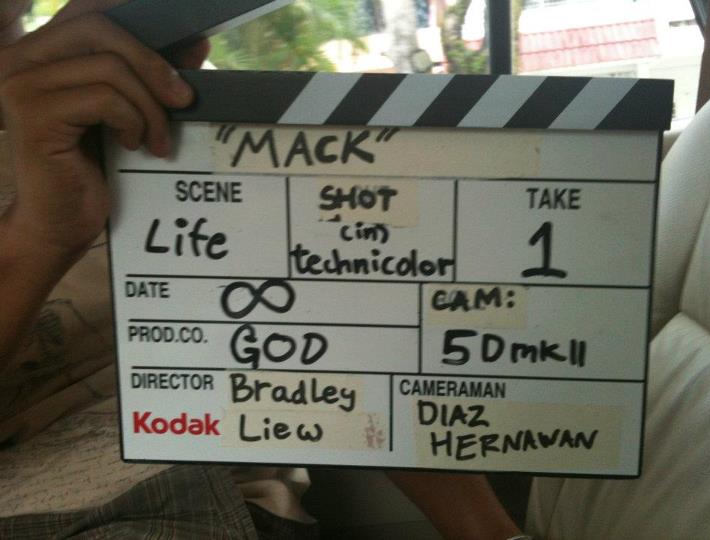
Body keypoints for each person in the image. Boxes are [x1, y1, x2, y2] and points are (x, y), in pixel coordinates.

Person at [0, 1, 526, 538]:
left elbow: (339, 318)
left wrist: (491, 533)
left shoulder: (129, 86)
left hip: (208, 488)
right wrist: (37, 236)